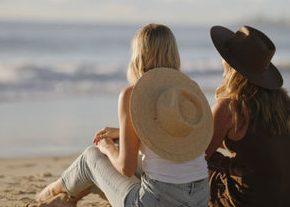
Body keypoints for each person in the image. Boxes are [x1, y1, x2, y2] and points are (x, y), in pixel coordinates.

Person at [35, 23, 214, 207]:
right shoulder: (189, 93)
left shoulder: (131, 95)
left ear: (139, 56)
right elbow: (170, 135)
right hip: (199, 198)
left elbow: (126, 168)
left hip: (156, 201)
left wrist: (107, 148)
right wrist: (122, 132)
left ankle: (55, 191)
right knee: (124, 154)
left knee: (93, 156)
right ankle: (65, 196)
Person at [205, 25, 290, 207]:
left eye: (225, 62)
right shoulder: (284, 102)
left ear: (232, 67)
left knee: (193, 168)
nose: (223, 71)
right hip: (288, 200)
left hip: (249, 202)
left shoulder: (230, 107)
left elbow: (198, 155)